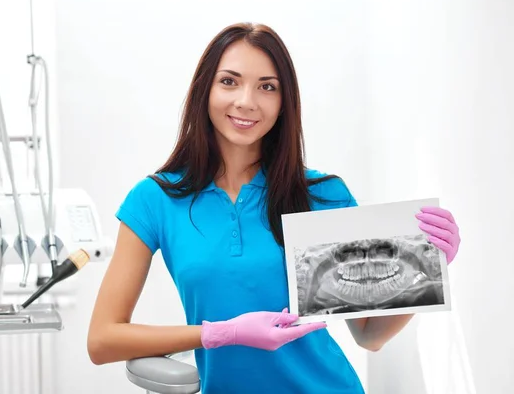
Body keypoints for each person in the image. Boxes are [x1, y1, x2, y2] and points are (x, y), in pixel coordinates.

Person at [87, 22, 461, 393]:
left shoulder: (323, 196)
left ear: (284, 103)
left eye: (267, 87)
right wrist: (221, 333)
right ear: (205, 90)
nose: (247, 101)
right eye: (229, 81)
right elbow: (103, 339)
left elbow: (369, 335)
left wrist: (425, 271)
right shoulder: (155, 200)